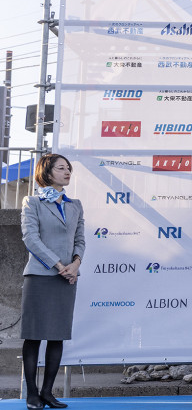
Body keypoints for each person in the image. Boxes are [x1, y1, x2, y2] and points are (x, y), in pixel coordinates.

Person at [21, 154, 85, 410]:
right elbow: (31, 238)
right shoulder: (32, 202)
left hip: (67, 277)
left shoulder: (75, 205)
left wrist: (75, 265)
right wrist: (58, 265)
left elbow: (80, 240)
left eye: (68, 168)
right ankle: (32, 394)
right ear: (46, 173)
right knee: (34, 336)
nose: (67, 172)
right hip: (40, 275)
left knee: (57, 336)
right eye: (61, 168)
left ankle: (47, 393)